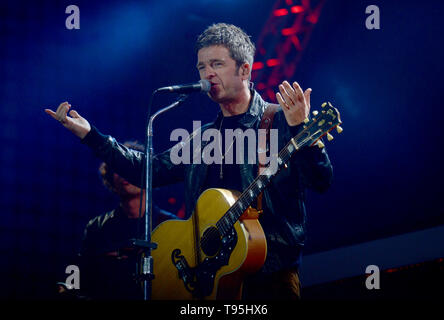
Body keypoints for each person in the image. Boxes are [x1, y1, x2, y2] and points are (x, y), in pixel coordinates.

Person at [46, 23, 333, 300]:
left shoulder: (281, 122)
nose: (207, 74)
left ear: (244, 70)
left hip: (268, 277)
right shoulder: (203, 137)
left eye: (217, 64)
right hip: (205, 278)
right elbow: (148, 170)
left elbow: (321, 180)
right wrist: (91, 136)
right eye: (201, 67)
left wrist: (299, 129)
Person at [58, 142, 179, 300]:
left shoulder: (170, 225)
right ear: (110, 177)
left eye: (131, 169)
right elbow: (77, 272)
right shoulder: (96, 227)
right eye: (119, 169)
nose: (125, 175)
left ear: (149, 175)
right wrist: (68, 289)